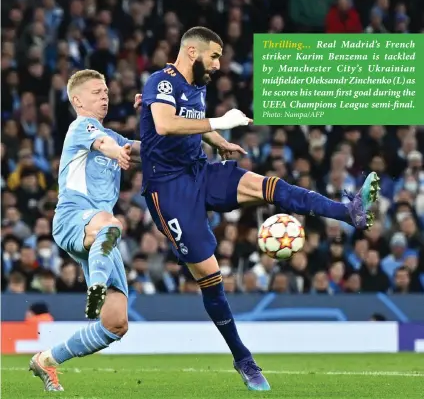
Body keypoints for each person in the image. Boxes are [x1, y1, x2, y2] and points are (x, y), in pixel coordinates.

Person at [138, 26, 380, 391]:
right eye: (215, 56)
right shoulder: (162, 81)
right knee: (210, 277)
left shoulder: (197, 86)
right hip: (168, 191)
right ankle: (243, 359)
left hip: (199, 171)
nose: (219, 65)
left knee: (270, 187)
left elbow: (189, 124)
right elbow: (165, 123)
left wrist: (218, 140)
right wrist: (221, 122)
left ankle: (349, 212)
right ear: (192, 52)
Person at [29, 69, 141, 391]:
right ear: (78, 100)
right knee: (110, 222)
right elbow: (103, 143)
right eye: (96, 92)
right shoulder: (81, 127)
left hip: (99, 235)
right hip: (72, 217)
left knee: (116, 324)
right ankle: (96, 285)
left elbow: (145, 151)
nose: (104, 96)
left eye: (106, 91)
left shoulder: (118, 139)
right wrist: (115, 151)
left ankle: (47, 360)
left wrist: (184, 135)